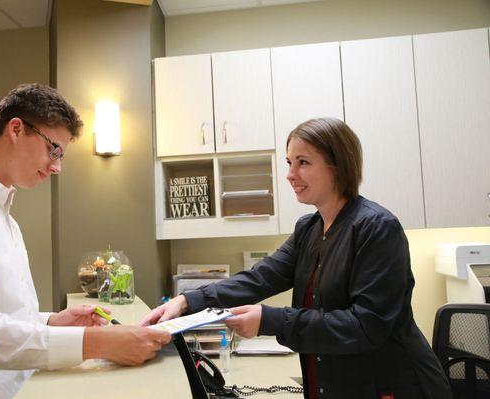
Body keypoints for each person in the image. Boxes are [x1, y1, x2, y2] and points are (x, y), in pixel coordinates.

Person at [140, 118, 451, 399]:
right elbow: (261, 277)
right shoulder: (309, 230)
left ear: (338, 166)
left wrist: (270, 320)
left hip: (392, 385)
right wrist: (187, 302)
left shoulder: (376, 228)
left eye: (303, 162)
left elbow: (364, 326)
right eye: (289, 162)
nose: (290, 175)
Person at [0, 83, 170, 399]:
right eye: (54, 150)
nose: (57, 167)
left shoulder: (3, 217)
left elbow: (1, 315)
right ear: (15, 129)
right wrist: (99, 343)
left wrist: (51, 322)